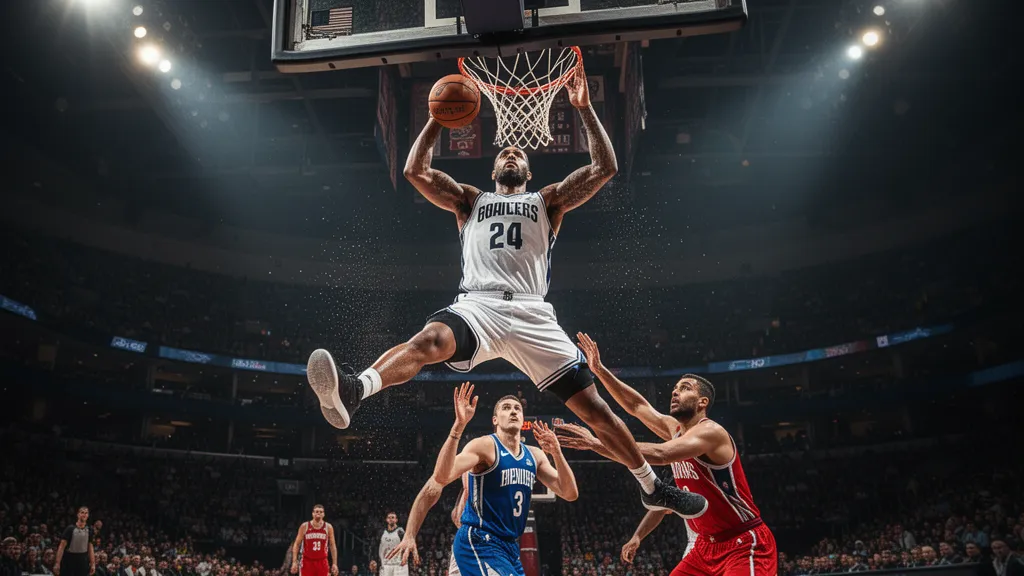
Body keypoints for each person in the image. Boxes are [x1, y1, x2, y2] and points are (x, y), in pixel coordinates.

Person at [307, 63, 705, 518]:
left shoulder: (547, 201)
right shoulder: (470, 200)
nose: (511, 155)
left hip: (534, 314)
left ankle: (652, 487)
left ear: (529, 171)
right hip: (479, 305)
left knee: (595, 409)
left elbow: (605, 167)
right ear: (494, 167)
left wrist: (584, 108)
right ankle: (356, 389)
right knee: (429, 340)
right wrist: (437, 118)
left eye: (519, 154)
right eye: (505, 153)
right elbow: (415, 170)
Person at [557, 333, 777, 576]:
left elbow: (661, 454)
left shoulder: (711, 432)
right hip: (705, 546)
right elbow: (637, 406)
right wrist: (600, 371)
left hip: (743, 543)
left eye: (685, 388)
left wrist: (596, 443)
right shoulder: (675, 430)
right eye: (675, 388)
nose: (675, 392)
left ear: (702, 402)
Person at [387, 382, 576, 576]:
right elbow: (438, 479)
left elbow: (570, 493)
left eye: (517, 408)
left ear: (522, 418)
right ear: (495, 419)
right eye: (506, 408)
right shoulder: (484, 447)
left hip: (508, 547)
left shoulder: (534, 455)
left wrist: (557, 453)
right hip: (479, 541)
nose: (513, 411)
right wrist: (458, 427)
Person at [290, 505, 338, 576]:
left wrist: (334, 563)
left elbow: (332, 546)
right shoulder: (305, 526)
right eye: (317, 511)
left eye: (321, 512)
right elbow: (296, 544)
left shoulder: (328, 527)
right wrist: (294, 561)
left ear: (324, 514)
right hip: (307, 561)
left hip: (322, 561)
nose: (319, 513)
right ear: (312, 513)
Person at [55, 507, 95, 576]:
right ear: (78, 514)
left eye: (86, 513)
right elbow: (61, 547)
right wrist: (57, 563)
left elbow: (90, 547)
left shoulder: (90, 530)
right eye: (82, 512)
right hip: (69, 558)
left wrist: (93, 564)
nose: (84, 514)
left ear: (88, 515)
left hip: (83, 559)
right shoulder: (70, 528)